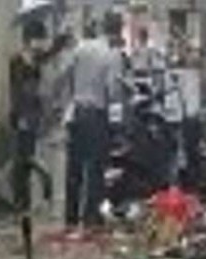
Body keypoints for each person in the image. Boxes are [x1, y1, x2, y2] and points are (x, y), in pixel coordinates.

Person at [65, 11, 124, 229]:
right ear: (117, 32)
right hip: (97, 115)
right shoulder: (111, 54)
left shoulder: (80, 48)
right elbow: (113, 90)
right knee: (95, 169)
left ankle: (70, 217)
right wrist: (117, 124)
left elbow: (69, 77)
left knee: (74, 168)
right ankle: (90, 218)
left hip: (76, 112)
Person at [9, 19, 68, 212]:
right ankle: (25, 196)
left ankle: (27, 195)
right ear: (29, 39)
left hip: (32, 114)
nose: (40, 43)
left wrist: (61, 40)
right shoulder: (19, 60)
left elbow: (50, 53)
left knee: (24, 158)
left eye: (41, 39)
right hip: (25, 114)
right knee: (23, 159)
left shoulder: (32, 59)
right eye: (38, 39)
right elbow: (17, 91)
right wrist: (19, 115)